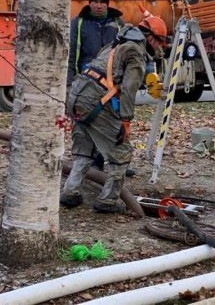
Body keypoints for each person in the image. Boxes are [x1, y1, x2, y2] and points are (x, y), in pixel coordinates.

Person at [60, 14, 168, 212]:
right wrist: (125, 121)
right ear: (152, 38)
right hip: (95, 100)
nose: (159, 48)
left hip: (76, 94)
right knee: (121, 151)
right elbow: (129, 89)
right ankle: (108, 200)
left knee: (84, 148)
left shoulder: (116, 44)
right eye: (160, 43)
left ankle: (71, 191)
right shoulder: (136, 52)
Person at [67, 0, 133, 176]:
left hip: (112, 86)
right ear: (89, 2)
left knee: (115, 123)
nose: (98, 5)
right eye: (94, 1)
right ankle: (94, 166)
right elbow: (71, 56)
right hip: (87, 85)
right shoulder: (79, 24)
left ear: (107, 3)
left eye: (102, 1)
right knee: (88, 125)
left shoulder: (117, 25)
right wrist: (71, 84)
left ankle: (117, 163)